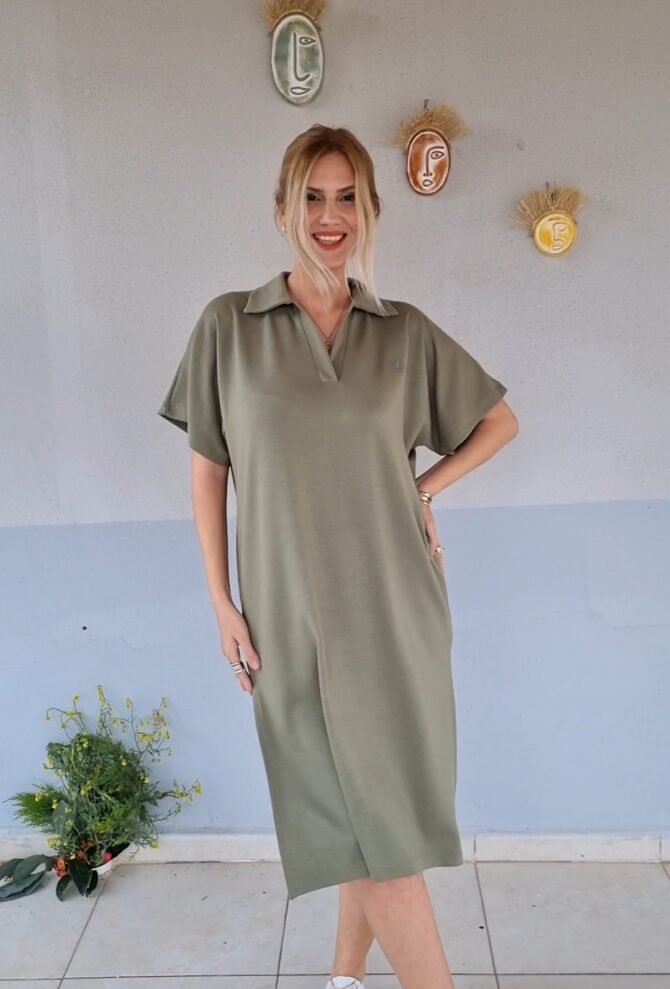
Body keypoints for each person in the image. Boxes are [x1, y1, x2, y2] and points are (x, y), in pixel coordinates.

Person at [158, 124, 518, 989]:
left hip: (396, 613)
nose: (330, 216)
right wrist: (220, 600)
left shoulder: (403, 333)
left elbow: (499, 421)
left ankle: (345, 977)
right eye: (312, 197)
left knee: (382, 821)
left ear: (370, 209)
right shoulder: (229, 326)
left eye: (348, 196)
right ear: (282, 208)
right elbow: (209, 472)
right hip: (288, 622)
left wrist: (423, 490)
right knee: (363, 821)